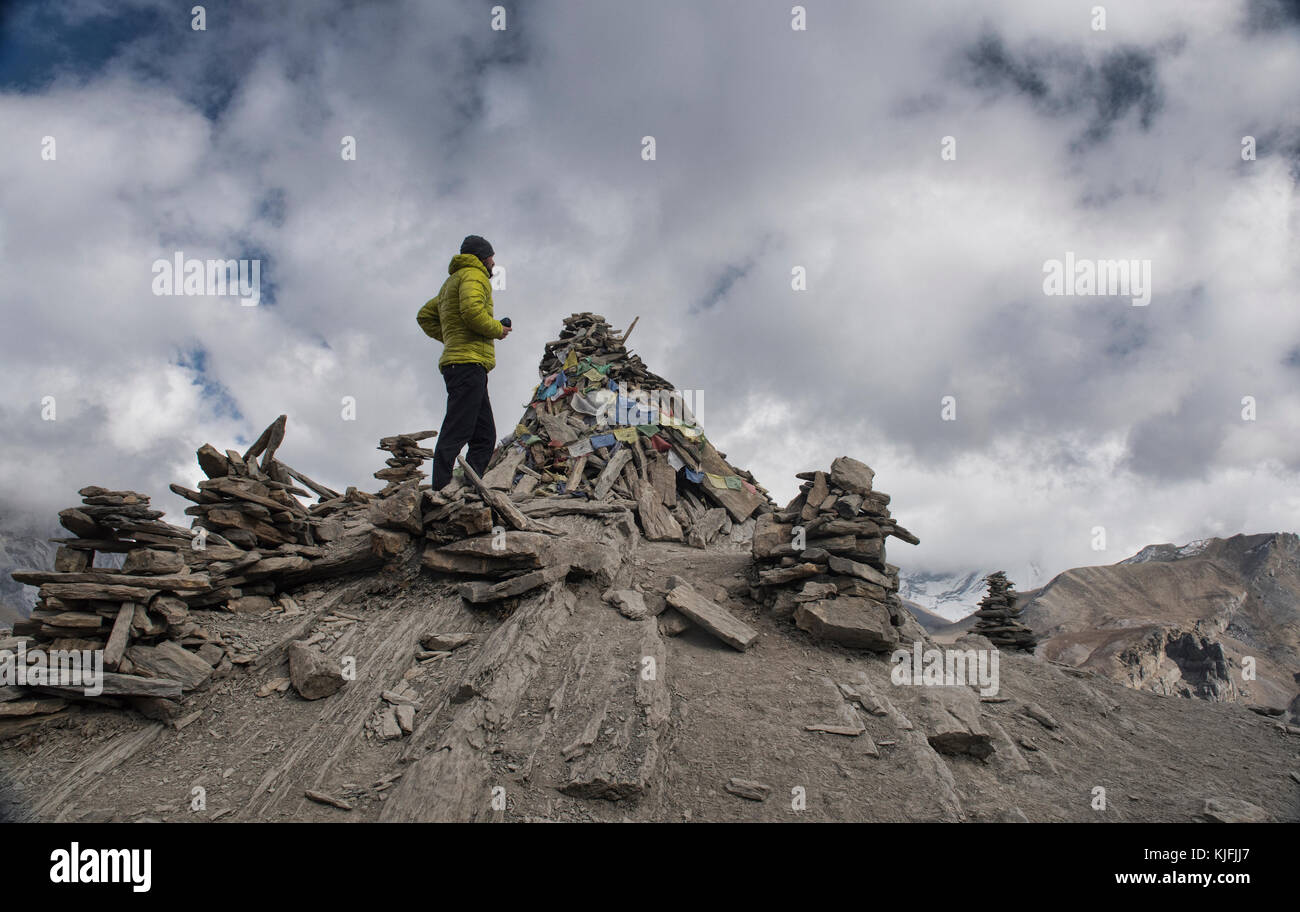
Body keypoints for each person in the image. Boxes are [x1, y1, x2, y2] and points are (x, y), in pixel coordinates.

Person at [417, 235, 512, 489]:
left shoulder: (451, 282)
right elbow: (472, 313)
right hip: (468, 364)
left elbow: (425, 316)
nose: (494, 262)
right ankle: (440, 490)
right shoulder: (474, 275)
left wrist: (451, 337)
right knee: (458, 430)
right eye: (492, 256)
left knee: (483, 435)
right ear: (484, 256)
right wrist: (496, 329)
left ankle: (468, 489)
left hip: (465, 364)